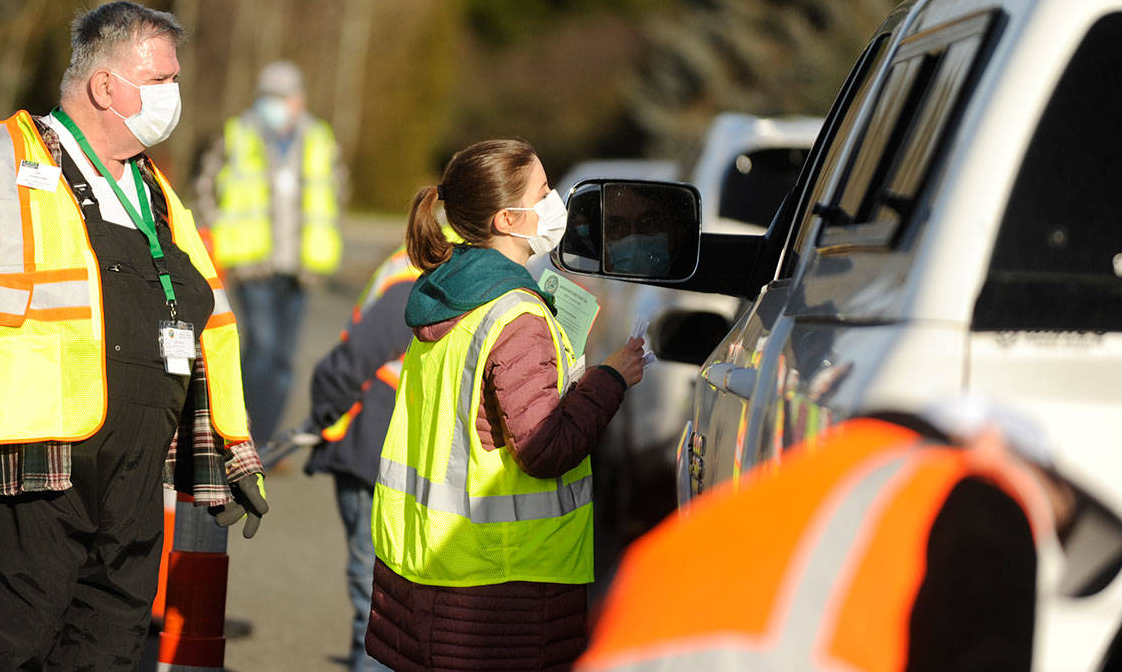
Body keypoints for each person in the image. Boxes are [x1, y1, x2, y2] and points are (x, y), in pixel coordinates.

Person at [0, 0, 267, 672]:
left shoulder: (158, 196)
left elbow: (200, 330)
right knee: (1, 653)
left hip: (131, 493)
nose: (174, 95)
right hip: (20, 484)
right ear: (106, 86)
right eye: (161, 78)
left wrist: (230, 451)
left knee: (106, 654)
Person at [367, 139, 649, 672]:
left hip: (427, 568)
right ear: (507, 218)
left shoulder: (450, 291)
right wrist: (612, 378)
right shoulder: (515, 316)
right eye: (544, 191)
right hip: (500, 587)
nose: (555, 201)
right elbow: (546, 448)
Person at [575, 400, 1122, 672]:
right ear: (992, 445)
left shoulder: (808, 487)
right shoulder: (976, 494)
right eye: (1062, 511)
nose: (1050, 531)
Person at [195, 60, 344, 448]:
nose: (275, 104)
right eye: (268, 97)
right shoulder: (237, 134)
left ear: (300, 100)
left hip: (299, 268)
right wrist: (219, 231)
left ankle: (262, 441)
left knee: (283, 361)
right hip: (251, 264)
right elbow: (206, 187)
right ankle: (235, 433)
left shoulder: (319, 139)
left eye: (283, 97)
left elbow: (335, 194)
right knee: (262, 350)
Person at [304, 239, 433, 672]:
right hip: (374, 453)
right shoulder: (416, 282)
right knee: (378, 603)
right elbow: (350, 363)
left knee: (378, 597)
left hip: (377, 450)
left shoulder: (420, 269)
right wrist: (323, 416)